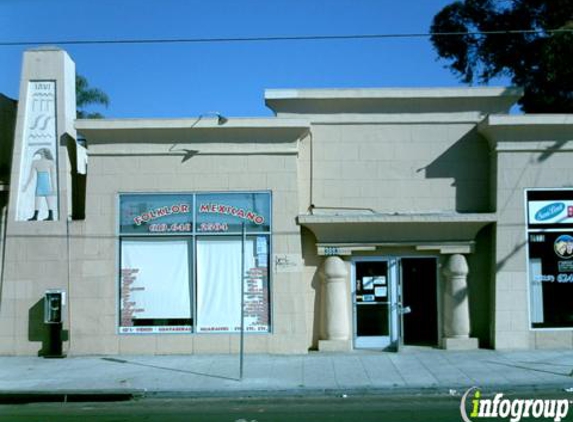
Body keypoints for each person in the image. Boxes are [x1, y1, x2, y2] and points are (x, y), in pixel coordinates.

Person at [22, 148, 56, 221]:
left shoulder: (50, 162)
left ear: (43, 152)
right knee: (37, 199)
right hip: (40, 183)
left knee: (49, 200)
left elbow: (53, 176)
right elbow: (31, 176)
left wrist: (54, 188)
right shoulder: (35, 162)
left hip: (46, 183)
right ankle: (35, 216)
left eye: (41, 150)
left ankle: (50, 216)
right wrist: (26, 186)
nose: (39, 151)